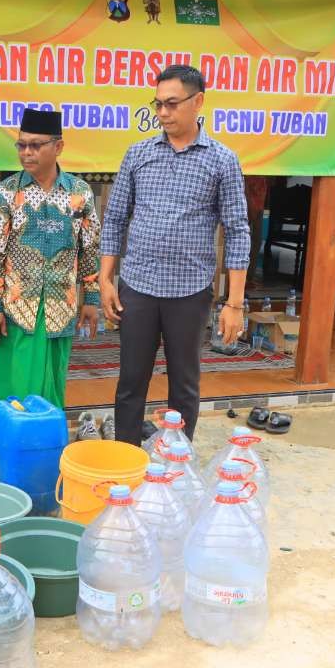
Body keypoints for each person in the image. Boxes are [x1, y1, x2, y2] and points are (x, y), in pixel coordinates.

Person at [100, 64, 250, 446]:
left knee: (184, 384)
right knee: (131, 380)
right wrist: (105, 279)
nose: (163, 113)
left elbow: (237, 230)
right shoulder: (139, 154)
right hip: (139, 286)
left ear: (198, 101)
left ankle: (175, 463)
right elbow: (115, 217)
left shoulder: (221, 160)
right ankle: (127, 457)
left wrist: (234, 303)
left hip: (190, 291)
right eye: (158, 104)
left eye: (172, 104)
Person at [0, 108, 101, 408]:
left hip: (61, 306)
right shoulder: (5, 194)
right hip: (16, 309)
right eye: (21, 145)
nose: (26, 152)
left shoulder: (79, 194)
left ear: (58, 147)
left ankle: (45, 447)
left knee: (52, 383)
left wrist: (92, 300)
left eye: (35, 145)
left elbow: (90, 249)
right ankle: (14, 446)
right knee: (14, 385)